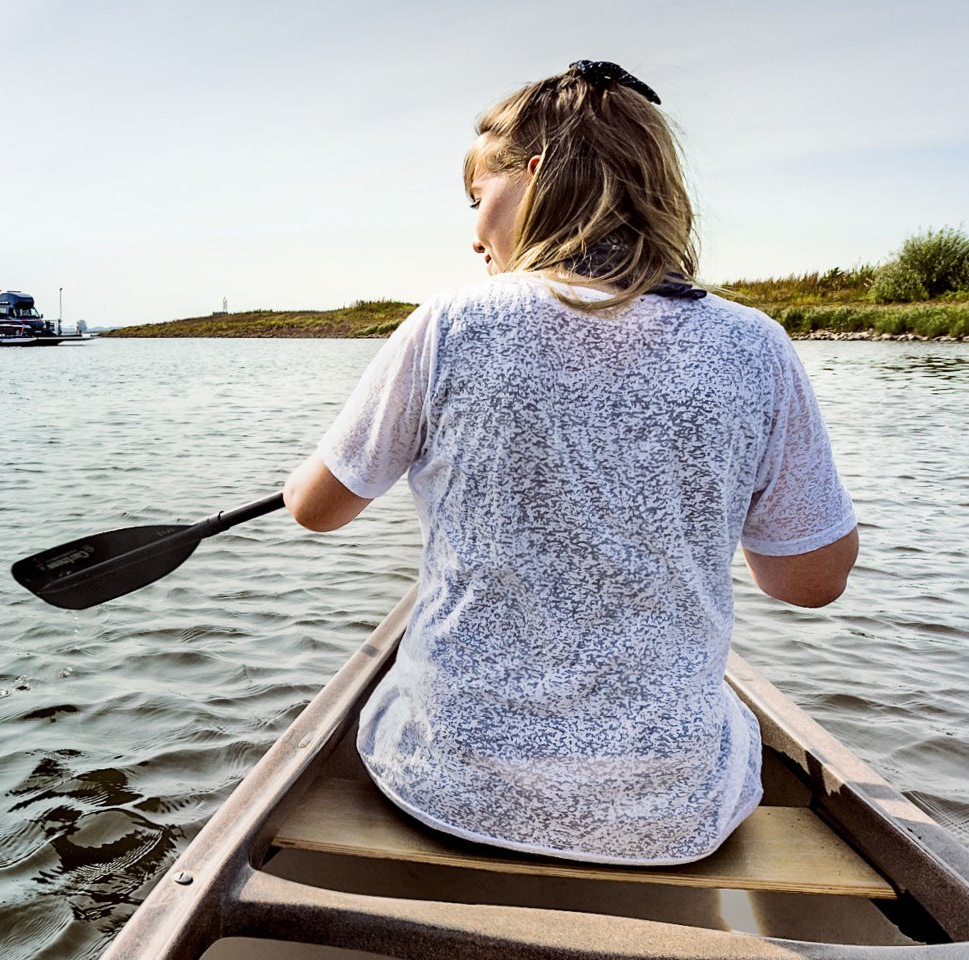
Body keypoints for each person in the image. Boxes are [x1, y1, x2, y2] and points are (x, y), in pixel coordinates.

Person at [283, 61, 859, 865]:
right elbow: (810, 582)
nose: (474, 232)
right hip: (671, 814)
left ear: (536, 174)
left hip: (452, 785)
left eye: (477, 201)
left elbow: (314, 508)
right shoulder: (756, 345)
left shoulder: (450, 323)